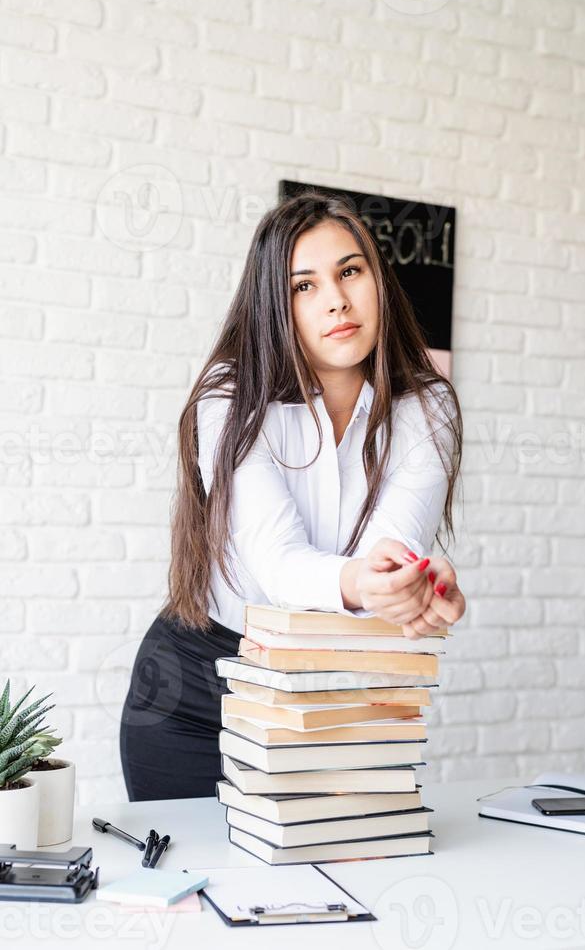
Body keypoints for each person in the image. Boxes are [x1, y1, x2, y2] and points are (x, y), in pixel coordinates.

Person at [119, 190, 466, 801]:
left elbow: (392, 548)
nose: (336, 299)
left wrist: (414, 587)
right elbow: (277, 564)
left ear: (377, 280)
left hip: (330, 683)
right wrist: (370, 585)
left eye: (350, 271)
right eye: (303, 286)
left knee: (339, 884)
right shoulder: (229, 401)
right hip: (195, 690)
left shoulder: (427, 407)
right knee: (201, 888)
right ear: (274, 308)